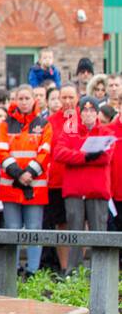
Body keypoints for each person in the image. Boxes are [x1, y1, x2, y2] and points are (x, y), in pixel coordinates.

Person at [0, 84, 52, 274]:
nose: (24, 102)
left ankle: (33, 270)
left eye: (27, 98)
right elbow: (1, 151)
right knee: (12, 229)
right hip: (11, 186)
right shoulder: (5, 124)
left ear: (34, 100)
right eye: (21, 98)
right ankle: (13, 269)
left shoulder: (44, 124)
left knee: (34, 229)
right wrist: (19, 173)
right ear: (15, 100)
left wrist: (29, 173)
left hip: (35, 187)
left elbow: (45, 152)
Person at [53, 98, 114, 271]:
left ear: (97, 113)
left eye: (92, 110)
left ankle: (100, 271)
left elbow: (106, 157)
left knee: (98, 235)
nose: (88, 113)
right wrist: (85, 156)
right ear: (79, 113)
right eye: (85, 110)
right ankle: (73, 272)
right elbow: (59, 153)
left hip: (97, 190)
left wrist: (76, 157)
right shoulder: (69, 132)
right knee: (75, 234)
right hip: (75, 190)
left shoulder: (105, 132)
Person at [45, 83, 79, 272]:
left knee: (80, 224)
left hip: (79, 181)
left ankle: (77, 267)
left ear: (77, 98)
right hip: (57, 182)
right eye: (63, 97)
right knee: (62, 224)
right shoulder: (51, 121)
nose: (67, 101)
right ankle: (66, 268)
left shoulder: (83, 119)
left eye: (70, 97)